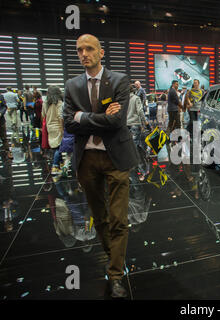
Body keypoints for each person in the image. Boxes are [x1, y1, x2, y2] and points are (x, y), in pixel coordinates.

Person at [62, 34, 139, 298]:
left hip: (116, 158)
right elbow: (68, 123)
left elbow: (117, 122)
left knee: (118, 218)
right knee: (100, 217)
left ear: (101, 52)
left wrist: (82, 117)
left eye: (89, 49)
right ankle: (115, 255)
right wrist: (94, 118)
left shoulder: (119, 80)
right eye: (79, 50)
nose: (84, 53)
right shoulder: (72, 86)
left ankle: (115, 273)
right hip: (87, 160)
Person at [41, 86, 64, 175]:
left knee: (55, 146)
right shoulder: (59, 102)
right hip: (58, 127)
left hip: (49, 127)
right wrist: (63, 129)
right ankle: (55, 166)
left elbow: (43, 115)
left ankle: (61, 163)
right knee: (59, 147)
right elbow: (60, 117)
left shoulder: (45, 103)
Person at [0, 93, 13, 159]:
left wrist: (1, 113)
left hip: (1, 121)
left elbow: (4, 106)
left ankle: (8, 151)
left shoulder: (0, 96)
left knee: (4, 138)